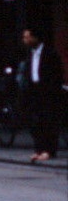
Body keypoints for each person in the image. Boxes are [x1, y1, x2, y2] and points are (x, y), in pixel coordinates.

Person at [19, 27, 63, 162]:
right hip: (34, 90)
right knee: (35, 122)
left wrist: (53, 89)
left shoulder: (50, 53)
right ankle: (39, 149)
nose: (25, 40)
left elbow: (57, 73)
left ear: (35, 38)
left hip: (48, 91)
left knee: (48, 121)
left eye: (27, 37)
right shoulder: (29, 54)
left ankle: (49, 150)